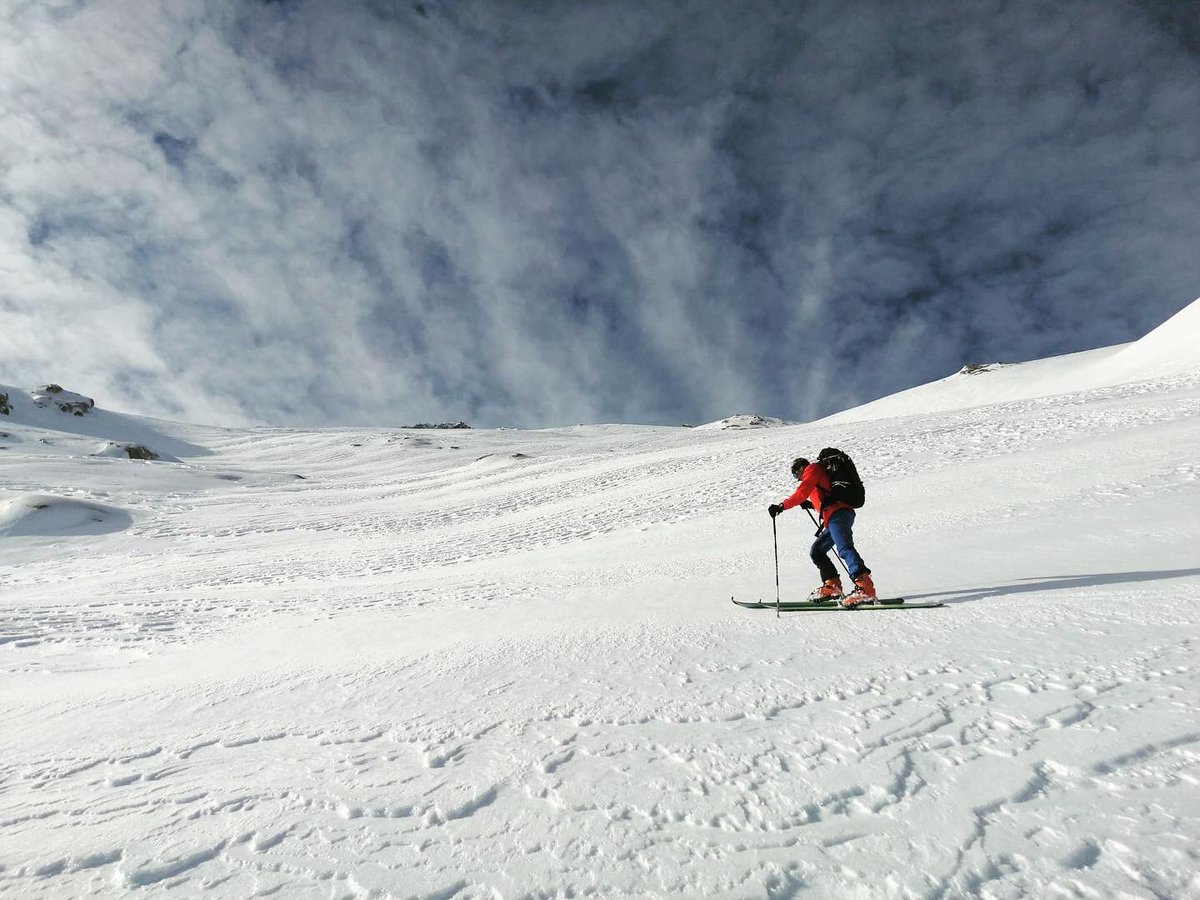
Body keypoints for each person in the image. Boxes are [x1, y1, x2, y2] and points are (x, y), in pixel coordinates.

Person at [767, 456, 878, 607]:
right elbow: (825, 497)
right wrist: (811, 505)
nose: (797, 479)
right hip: (834, 517)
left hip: (838, 514)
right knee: (817, 551)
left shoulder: (812, 469)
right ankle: (832, 586)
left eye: (795, 475)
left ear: (800, 468)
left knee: (845, 548)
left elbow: (802, 492)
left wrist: (781, 506)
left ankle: (865, 589)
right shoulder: (817, 477)